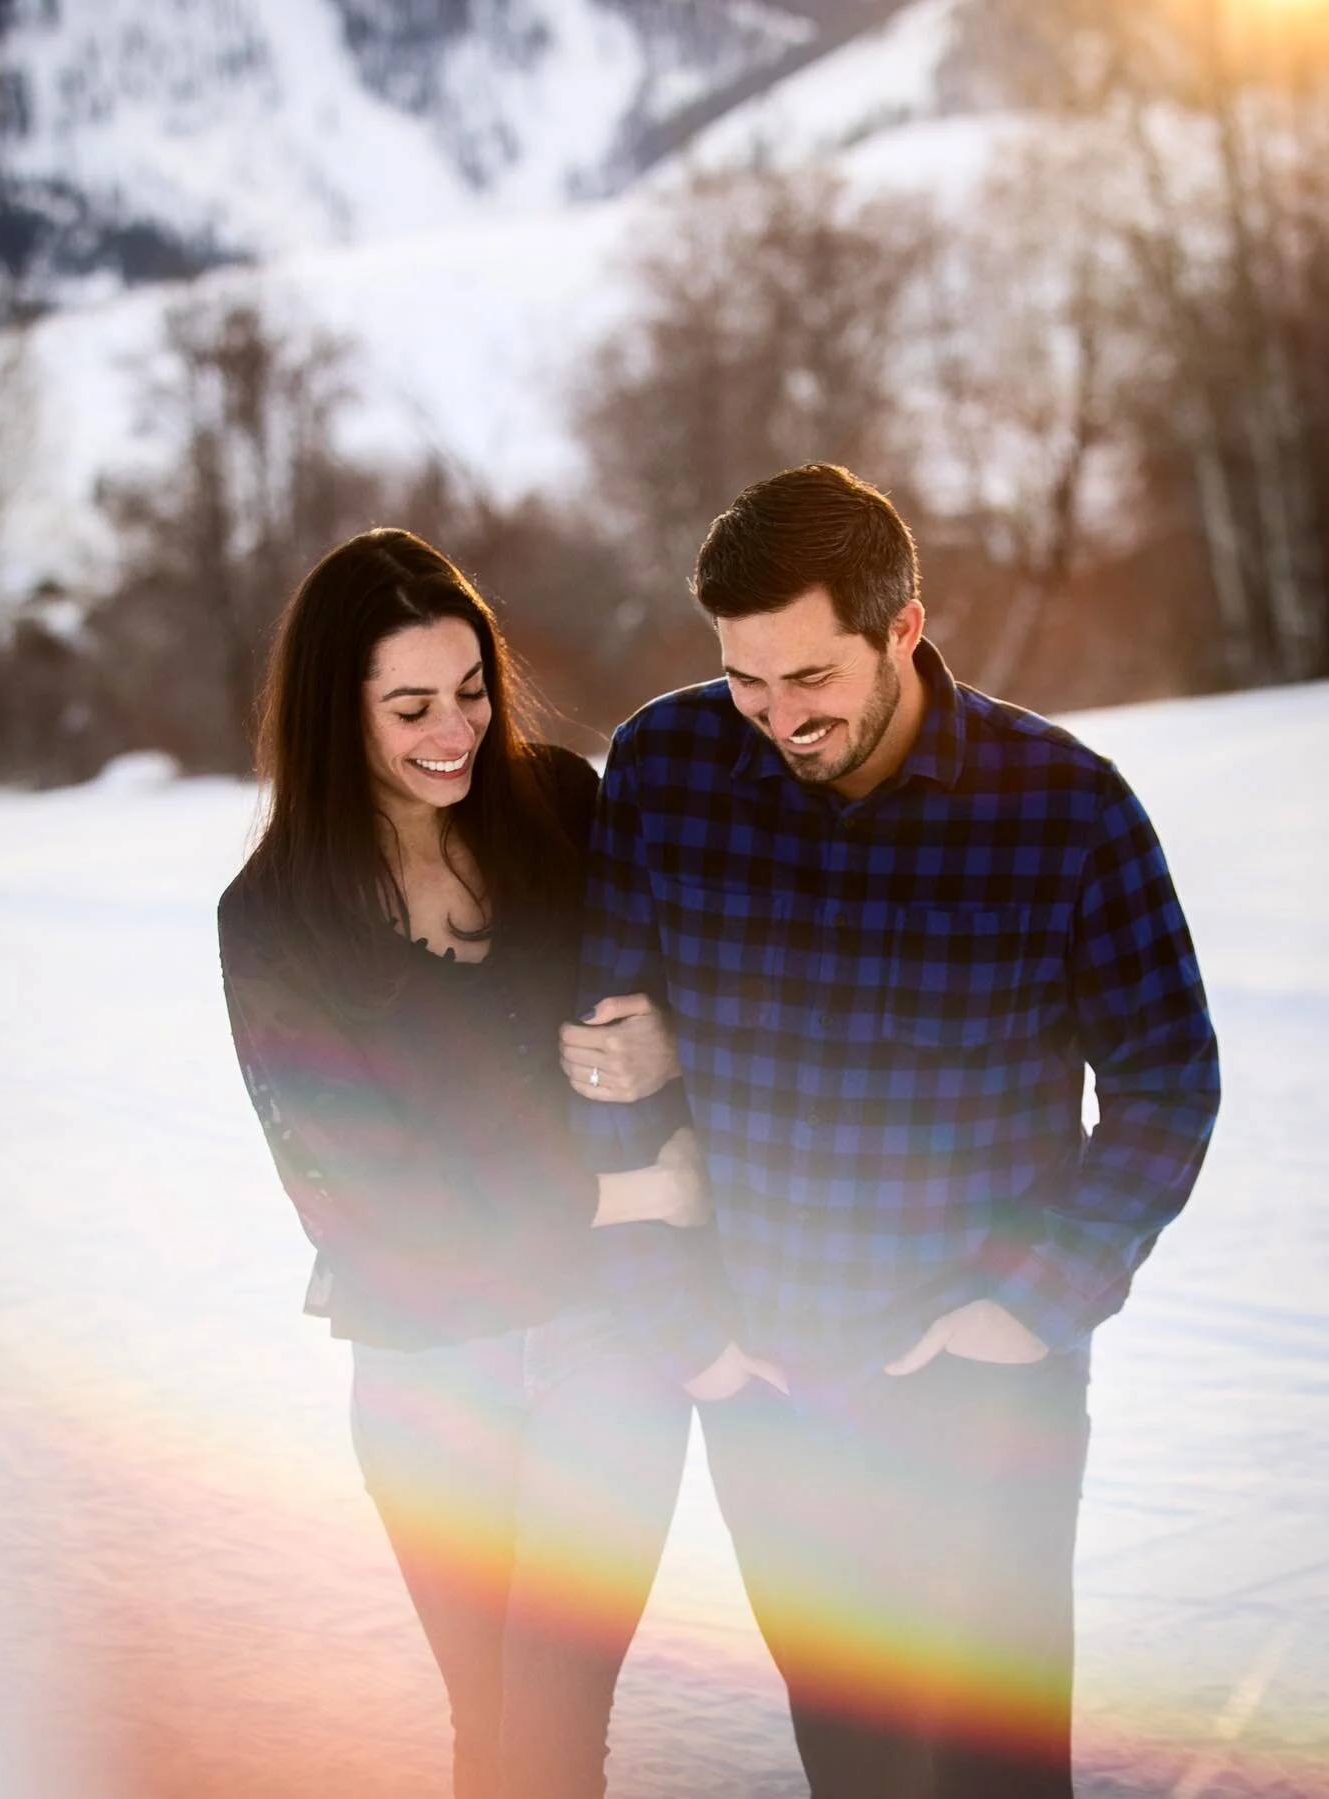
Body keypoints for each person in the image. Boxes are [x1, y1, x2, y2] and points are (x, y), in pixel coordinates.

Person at [562, 464, 1221, 1797]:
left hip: (985, 1392)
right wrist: (690, 1324)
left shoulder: (1066, 808)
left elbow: (1166, 1078)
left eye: (809, 678)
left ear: (903, 627)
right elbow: (616, 1048)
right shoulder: (669, 767)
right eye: (746, 678)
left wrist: (1027, 1308)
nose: (775, 716)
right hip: (775, 1377)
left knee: (996, 1767)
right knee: (855, 1759)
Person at [217, 529, 705, 1799]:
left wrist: (670, 1041)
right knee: (489, 1736)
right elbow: (367, 1199)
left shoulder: (565, 809)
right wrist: (634, 1191)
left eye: (474, 688)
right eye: (413, 706)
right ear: (339, 713)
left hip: (607, 1336)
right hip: (428, 1361)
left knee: (549, 1734)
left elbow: (688, 990)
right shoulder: (273, 918)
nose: (459, 729)